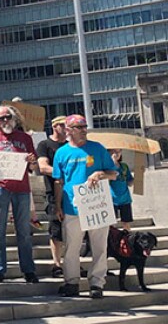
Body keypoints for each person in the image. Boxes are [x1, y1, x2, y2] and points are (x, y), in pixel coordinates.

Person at [54, 115, 119, 299]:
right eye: (79, 127)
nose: (84, 129)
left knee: (99, 246)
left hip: (96, 204)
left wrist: (100, 174)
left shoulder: (97, 148)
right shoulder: (62, 153)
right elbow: (58, 181)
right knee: (72, 247)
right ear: (68, 130)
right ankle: (72, 282)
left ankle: (97, 283)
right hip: (71, 206)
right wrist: (58, 205)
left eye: (84, 126)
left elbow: (113, 173)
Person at [0, 105, 38, 284]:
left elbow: (34, 166)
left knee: (24, 231)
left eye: (7, 117)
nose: (5, 121)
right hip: (0, 188)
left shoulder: (25, 138)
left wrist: (32, 161)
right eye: (1, 119)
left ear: (13, 118)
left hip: (22, 188)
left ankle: (28, 270)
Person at [36, 115, 67, 278]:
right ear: (55, 127)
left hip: (72, 193)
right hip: (53, 193)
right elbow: (42, 166)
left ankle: (71, 262)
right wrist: (64, 173)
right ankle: (57, 264)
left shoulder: (71, 145)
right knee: (56, 231)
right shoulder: (45, 145)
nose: (66, 128)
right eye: (63, 125)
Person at [109, 149, 134, 231]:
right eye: (114, 151)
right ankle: (113, 241)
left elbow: (129, 182)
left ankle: (127, 241)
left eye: (119, 151)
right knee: (111, 224)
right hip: (112, 199)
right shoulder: (107, 166)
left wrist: (139, 175)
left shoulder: (124, 166)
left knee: (126, 223)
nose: (116, 154)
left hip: (125, 199)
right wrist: (112, 163)